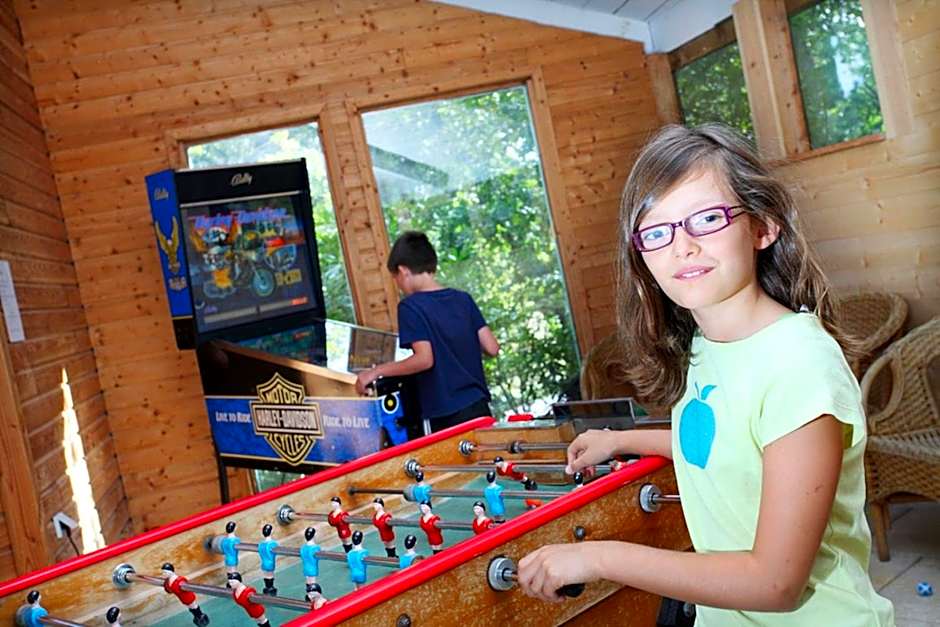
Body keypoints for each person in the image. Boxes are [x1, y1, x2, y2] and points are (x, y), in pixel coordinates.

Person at [517, 124, 894, 626]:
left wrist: (599, 557)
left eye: (707, 219)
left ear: (762, 227)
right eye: (657, 231)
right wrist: (621, 438)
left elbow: (774, 582)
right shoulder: (707, 344)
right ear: (642, 255)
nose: (683, 247)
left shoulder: (799, 364)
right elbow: (727, 442)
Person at [355, 231, 499, 436]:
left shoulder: (410, 307)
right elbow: (492, 347)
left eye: (395, 278)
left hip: (444, 416)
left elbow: (424, 359)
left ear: (403, 271)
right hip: (479, 407)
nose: (398, 285)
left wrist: (376, 371)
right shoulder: (463, 299)